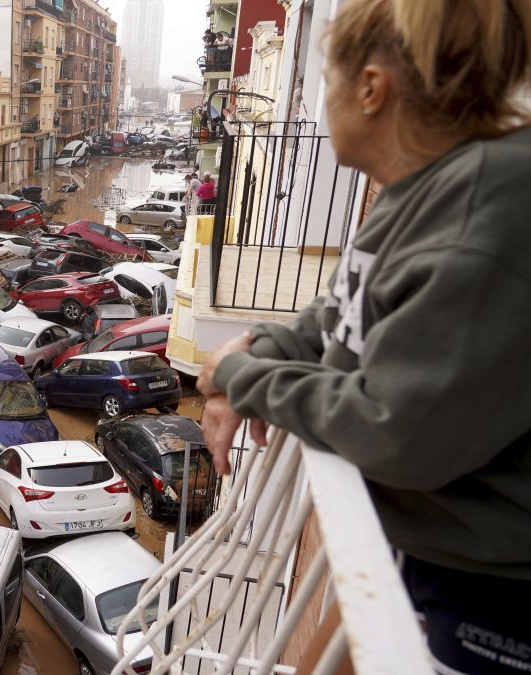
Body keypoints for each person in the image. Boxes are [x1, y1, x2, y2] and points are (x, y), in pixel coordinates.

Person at [195, 1, 531, 672]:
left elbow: (395, 431)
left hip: (495, 597)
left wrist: (242, 378)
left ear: (372, 88)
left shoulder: (484, 206)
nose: (324, 98)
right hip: (436, 552)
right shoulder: (423, 189)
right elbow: (336, 315)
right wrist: (260, 349)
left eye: (327, 76)